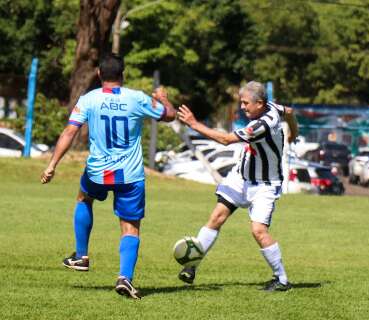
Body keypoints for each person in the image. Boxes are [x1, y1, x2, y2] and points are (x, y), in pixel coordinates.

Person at [40, 54, 176, 299]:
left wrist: (52, 164)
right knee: (130, 227)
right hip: (131, 175)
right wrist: (164, 99)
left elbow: (70, 131)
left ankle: (81, 256)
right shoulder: (137, 98)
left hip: (98, 171)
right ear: (123, 75)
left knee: (84, 198)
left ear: (100, 74)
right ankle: (124, 277)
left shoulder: (89, 99)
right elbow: (169, 115)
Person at [176, 81, 298, 291]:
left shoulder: (262, 125)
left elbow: (225, 140)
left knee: (258, 231)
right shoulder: (273, 107)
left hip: (265, 185)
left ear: (259, 103)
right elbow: (290, 112)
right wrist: (293, 133)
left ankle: (282, 279)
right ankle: (192, 266)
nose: (242, 107)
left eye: (245, 103)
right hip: (240, 177)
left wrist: (194, 124)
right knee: (216, 217)